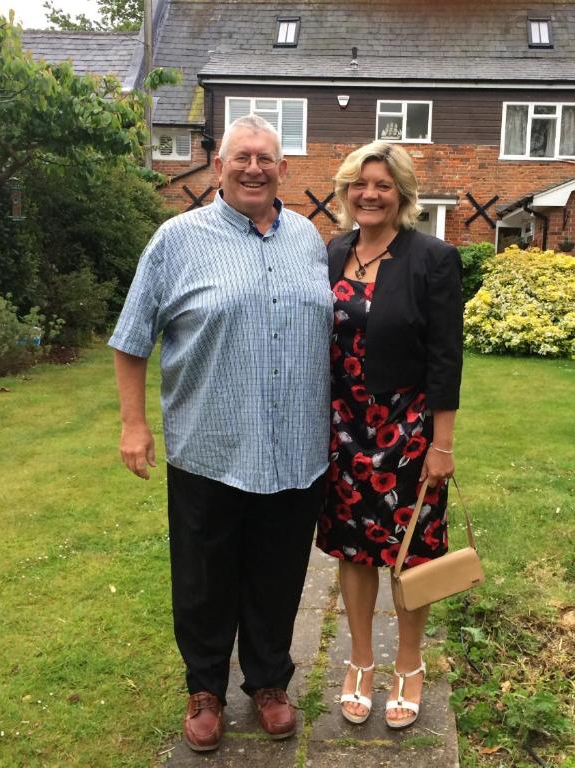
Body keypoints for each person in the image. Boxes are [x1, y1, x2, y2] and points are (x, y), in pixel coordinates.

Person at [109, 114, 332, 752]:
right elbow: (131, 341)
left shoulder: (309, 241)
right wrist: (133, 425)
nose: (253, 168)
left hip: (294, 450)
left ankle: (268, 683)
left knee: (279, 573)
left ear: (284, 168)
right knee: (205, 578)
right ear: (218, 166)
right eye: (241, 157)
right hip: (209, 446)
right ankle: (204, 688)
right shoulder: (176, 240)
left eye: (265, 157)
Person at [316, 141, 463, 729]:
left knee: (412, 554)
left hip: (406, 429)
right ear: (346, 191)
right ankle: (358, 661)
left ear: (401, 194)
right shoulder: (332, 252)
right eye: (359, 184)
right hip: (341, 428)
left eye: (381, 185)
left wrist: (442, 444)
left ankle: (408, 662)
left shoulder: (432, 257)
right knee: (353, 551)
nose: (368, 194)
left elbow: (445, 358)